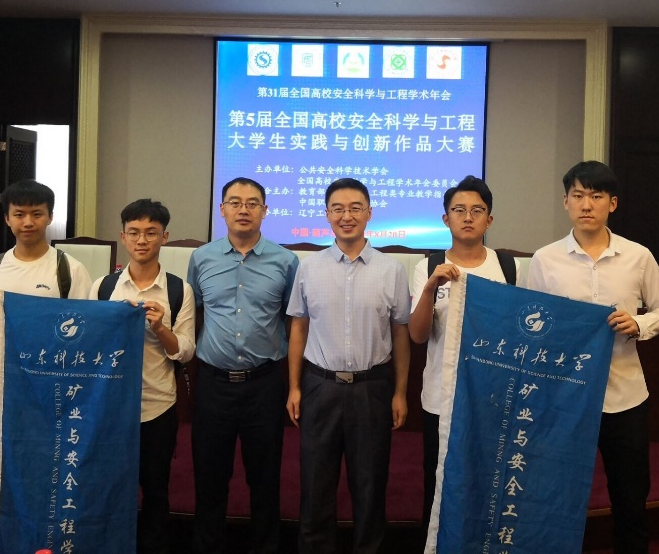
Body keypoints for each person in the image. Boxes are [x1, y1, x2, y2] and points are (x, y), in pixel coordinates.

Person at [527, 161, 659, 554]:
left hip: (624, 397)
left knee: (630, 496)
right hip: (563, 399)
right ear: (565, 202)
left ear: (612, 203)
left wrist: (638, 324)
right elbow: (530, 321)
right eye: (578, 195)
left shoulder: (638, 256)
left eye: (596, 196)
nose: (586, 204)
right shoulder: (545, 259)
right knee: (556, 494)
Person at [286, 177, 411, 554]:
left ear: (369, 213)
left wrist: (400, 392)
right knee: (315, 485)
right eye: (338, 208)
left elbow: (400, 334)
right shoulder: (309, 267)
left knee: (370, 486)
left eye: (355, 208)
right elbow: (298, 327)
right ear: (326, 214)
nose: (347, 216)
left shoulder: (391, 270)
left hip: (372, 388)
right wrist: (294, 387)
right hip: (320, 386)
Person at [186, 178, 299, 554]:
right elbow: (195, 313)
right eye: (235, 202)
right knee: (209, 476)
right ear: (222, 210)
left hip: (263, 384)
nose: (244, 209)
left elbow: (292, 320)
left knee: (265, 479)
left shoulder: (286, 261)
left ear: (265, 211)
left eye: (253, 203)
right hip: (213, 384)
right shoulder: (201, 258)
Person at [408, 175, 519, 530]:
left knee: (488, 483)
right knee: (439, 484)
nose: (467, 217)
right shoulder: (427, 266)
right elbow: (417, 336)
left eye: (477, 210)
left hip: (493, 399)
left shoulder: (507, 267)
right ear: (446, 219)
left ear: (489, 219)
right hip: (440, 398)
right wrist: (430, 288)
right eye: (459, 210)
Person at [91, 199, 196, 554]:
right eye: (134, 232)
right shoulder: (103, 288)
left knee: (155, 489)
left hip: (157, 406)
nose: (142, 240)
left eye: (151, 233)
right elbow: (89, 344)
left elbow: (185, 351)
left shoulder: (179, 290)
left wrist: (160, 327)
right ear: (123, 237)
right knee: (109, 485)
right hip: (110, 408)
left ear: (164, 237)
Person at [0, 179, 92, 391]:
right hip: (0, 382)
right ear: (7, 218)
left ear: (50, 217)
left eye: (37, 214)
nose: (28, 222)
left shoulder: (70, 269)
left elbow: (85, 332)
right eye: (19, 214)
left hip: (51, 381)